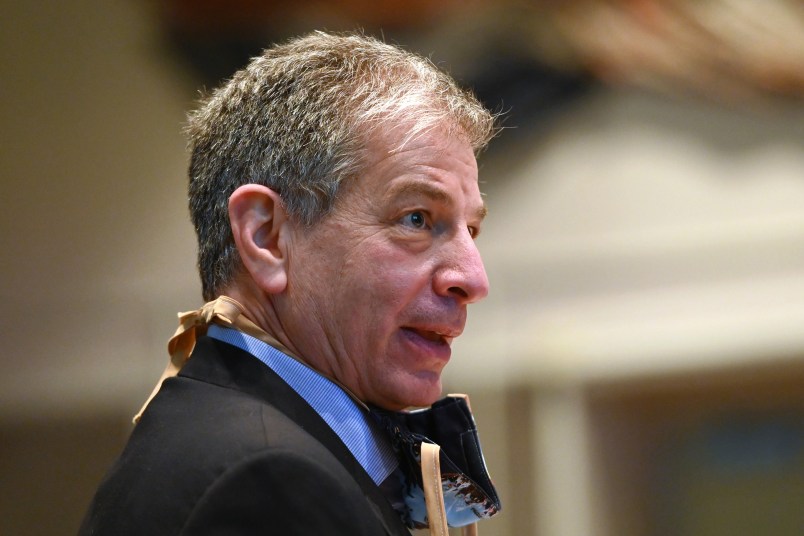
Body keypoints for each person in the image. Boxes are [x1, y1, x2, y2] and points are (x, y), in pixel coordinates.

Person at [79, 31, 500, 535]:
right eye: (416, 218)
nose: (473, 279)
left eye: (470, 229)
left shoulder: (244, 437)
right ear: (267, 237)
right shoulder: (268, 479)